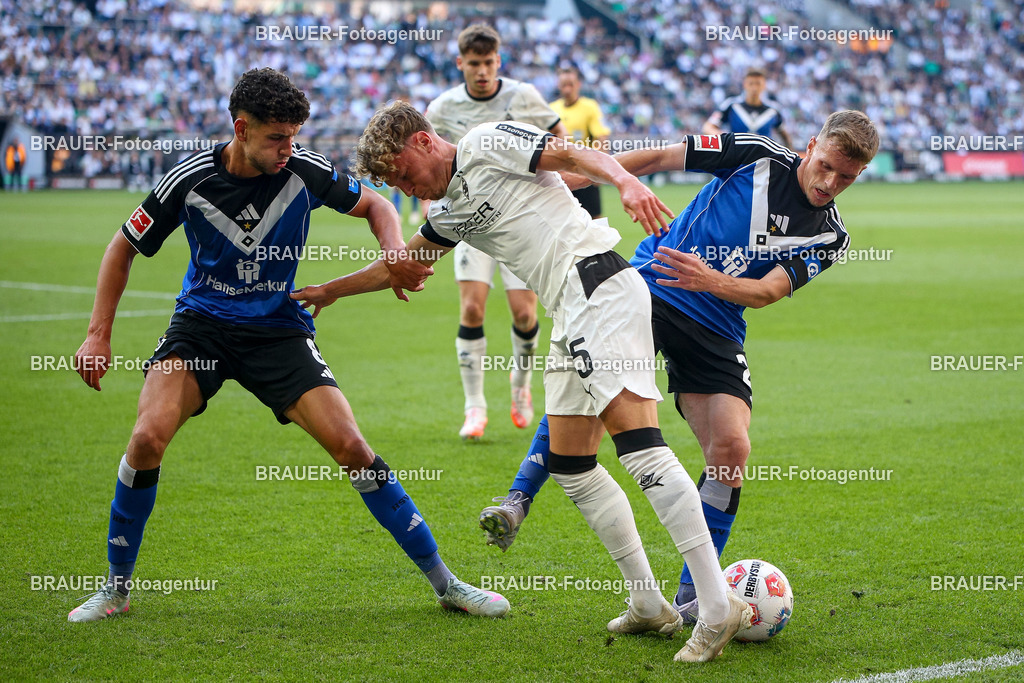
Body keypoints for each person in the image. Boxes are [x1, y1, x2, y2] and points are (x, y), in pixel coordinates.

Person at [291, 101, 754, 664]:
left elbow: (573, 154)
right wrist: (330, 291)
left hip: (598, 288)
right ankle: (647, 600)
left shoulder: (485, 142)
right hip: (571, 309)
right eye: (394, 185)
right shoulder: (450, 210)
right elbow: (404, 262)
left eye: (402, 174)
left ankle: (715, 606)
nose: (406, 189)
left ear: (423, 142)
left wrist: (627, 183)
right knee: (571, 464)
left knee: (640, 448)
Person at [68, 68, 509, 623]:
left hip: (277, 330)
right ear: (241, 129)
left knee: (352, 447)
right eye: (277, 137)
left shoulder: (304, 169)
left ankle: (447, 584)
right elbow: (123, 246)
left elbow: (377, 206)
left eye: (294, 136)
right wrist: (98, 333)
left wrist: (395, 253)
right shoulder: (189, 179)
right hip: (201, 328)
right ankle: (115, 590)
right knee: (146, 438)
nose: (288, 148)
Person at [479, 111, 880, 622]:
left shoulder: (831, 236)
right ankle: (518, 498)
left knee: (731, 450)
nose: (830, 183)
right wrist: (592, 177)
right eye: (826, 166)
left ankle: (693, 600)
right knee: (594, 385)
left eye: (847, 177)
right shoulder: (756, 154)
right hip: (652, 286)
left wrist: (709, 280)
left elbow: (766, 291)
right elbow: (662, 155)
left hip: (717, 323)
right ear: (810, 145)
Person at [424, 23, 568, 441]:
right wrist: (429, 203)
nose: (482, 71)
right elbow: (426, 154)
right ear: (460, 63)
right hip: (470, 220)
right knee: (472, 310)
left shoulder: (523, 96)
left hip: (520, 221)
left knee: (525, 314)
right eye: (474, 63)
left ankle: (520, 385)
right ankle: (474, 407)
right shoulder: (442, 107)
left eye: (489, 62)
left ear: (498, 61)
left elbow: (560, 138)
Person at [549, 64, 611, 219]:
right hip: (561, 176)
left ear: (578, 85)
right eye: (564, 85)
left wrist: (602, 170)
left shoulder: (589, 107)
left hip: (584, 171)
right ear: (559, 86)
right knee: (563, 222)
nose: (567, 89)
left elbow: (601, 137)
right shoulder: (552, 109)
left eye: (570, 84)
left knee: (595, 221)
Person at [703, 67, 793, 149]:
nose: (754, 88)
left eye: (758, 84)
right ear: (744, 84)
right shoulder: (731, 105)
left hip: (764, 158)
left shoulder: (773, 110)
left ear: (764, 85)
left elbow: (785, 135)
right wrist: (725, 138)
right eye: (751, 84)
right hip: (736, 157)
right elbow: (708, 127)